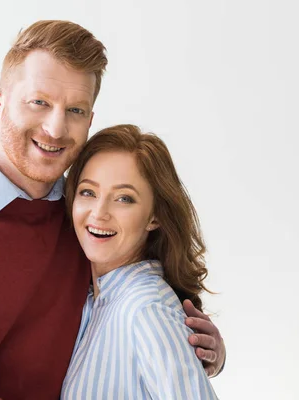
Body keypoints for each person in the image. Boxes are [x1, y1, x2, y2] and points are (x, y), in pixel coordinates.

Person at [0, 20, 225, 400]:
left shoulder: (84, 219)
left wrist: (196, 346)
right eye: (39, 102)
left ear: (89, 121)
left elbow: (137, 298)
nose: (56, 128)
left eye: (75, 110)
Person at [61, 124, 218, 399]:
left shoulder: (145, 308)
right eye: (88, 192)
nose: (99, 213)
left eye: (124, 198)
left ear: (154, 216)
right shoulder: (94, 299)